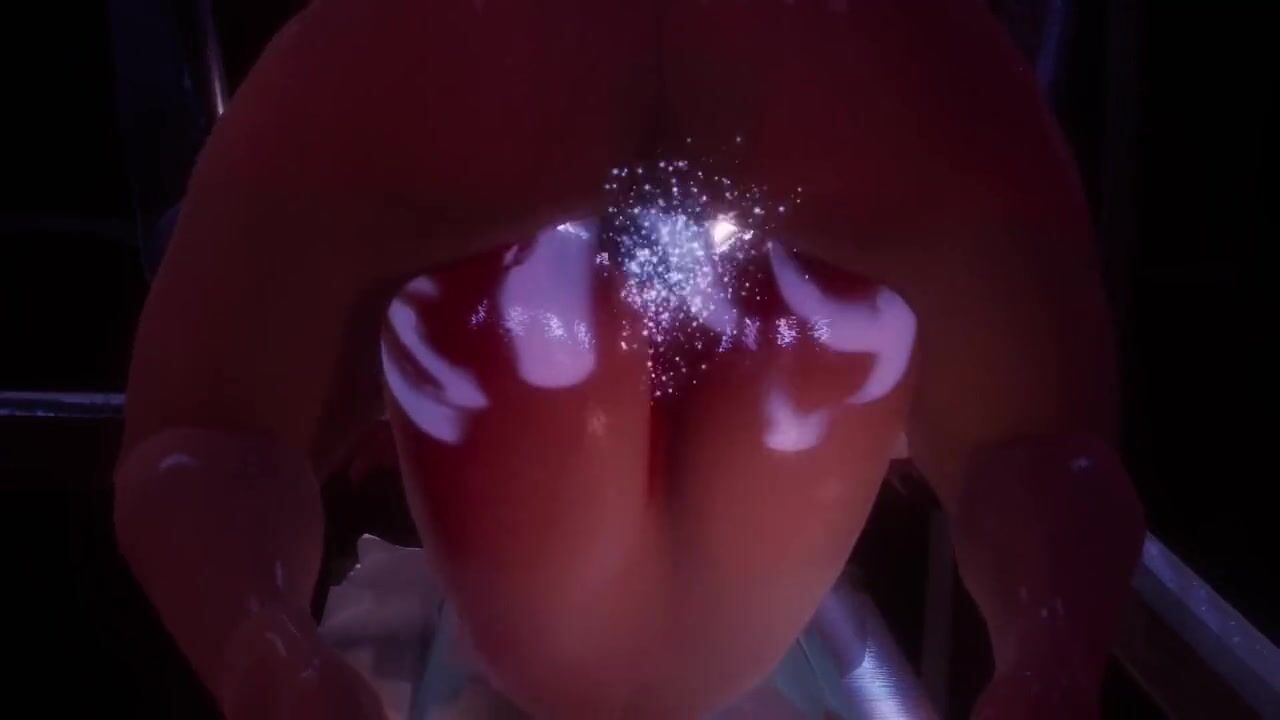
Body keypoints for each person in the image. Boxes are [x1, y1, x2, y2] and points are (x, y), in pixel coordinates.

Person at [112, 1, 1146, 718]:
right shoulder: (912, 81)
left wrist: (266, 655)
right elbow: (1037, 447)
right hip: (838, 113)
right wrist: (1047, 655)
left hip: (488, 128)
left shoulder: (385, 69)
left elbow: (200, 440)